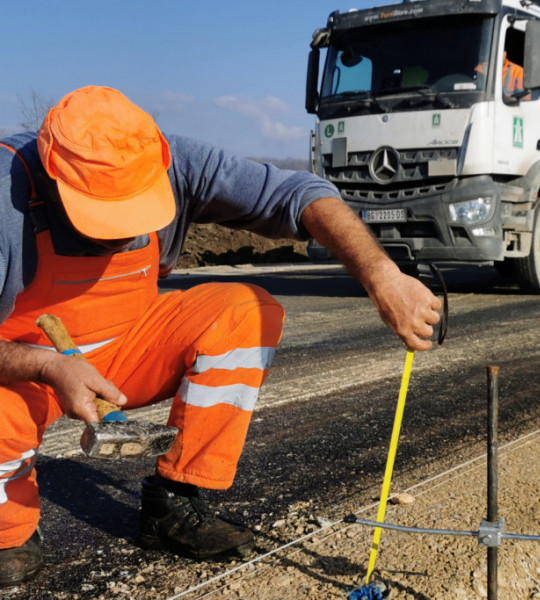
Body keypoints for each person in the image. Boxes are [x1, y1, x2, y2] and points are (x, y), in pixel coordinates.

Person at [0, 86, 442, 585]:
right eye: (104, 218)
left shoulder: (176, 162)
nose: (121, 236)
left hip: (126, 349)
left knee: (244, 312)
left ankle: (174, 502)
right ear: (55, 179)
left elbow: (301, 195)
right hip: (20, 365)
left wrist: (381, 275)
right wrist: (48, 366)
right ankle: (8, 529)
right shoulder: (4, 194)